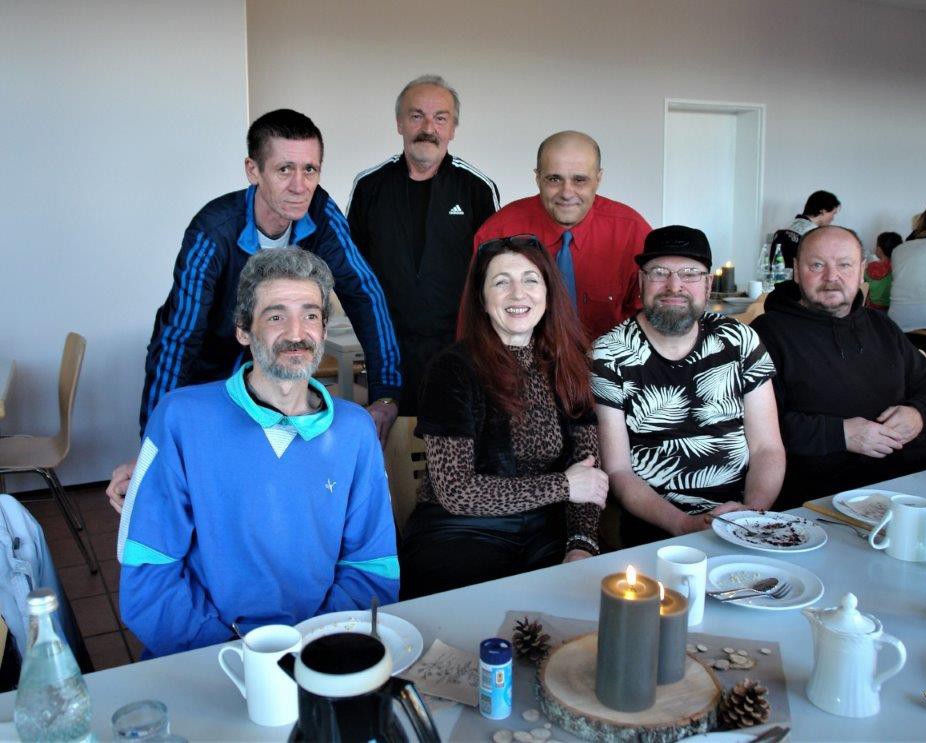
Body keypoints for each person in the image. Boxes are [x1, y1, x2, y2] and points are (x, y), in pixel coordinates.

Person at [107, 109, 402, 510]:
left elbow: (365, 294)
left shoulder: (321, 214)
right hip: (209, 370)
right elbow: (178, 337)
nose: (300, 186)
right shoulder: (214, 229)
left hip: (272, 374)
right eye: (284, 169)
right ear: (253, 170)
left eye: (310, 169)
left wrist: (386, 393)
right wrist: (152, 444)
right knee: (205, 484)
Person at [118, 249, 399, 657]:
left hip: (321, 653)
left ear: (323, 329)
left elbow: (372, 566)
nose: (296, 333)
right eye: (275, 316)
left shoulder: (355, 430)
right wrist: (237, 658)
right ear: (243, 331)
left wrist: (313, 651)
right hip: (206, 653)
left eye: (310, 315)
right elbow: (149, 572)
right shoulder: (180, 418)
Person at [399, 236, 607, 599]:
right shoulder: (451, 369)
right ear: (482, 299)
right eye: (501, 282)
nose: (518, 293)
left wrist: (581, 544)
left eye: (530, 280)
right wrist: (562, 486)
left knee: (586, 604)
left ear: (548, 292)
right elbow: (456, 491)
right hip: (461, 530)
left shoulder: (570, 366)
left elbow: (587, 476)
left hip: (547, 531)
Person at [591, 226, 785, 547]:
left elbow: (767, 448)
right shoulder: (609, 353)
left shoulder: (739, 340)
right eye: (659, 273)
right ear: (641, 281)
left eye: (690, 274)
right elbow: (619, 470)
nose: (674, 286)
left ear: (708, 284)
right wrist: (682, 524)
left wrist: (751, 514)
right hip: (655, 523)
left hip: (741, 513)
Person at [751, 226, 926, 508]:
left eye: (844, 265)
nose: (831, 277)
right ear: (796, 271)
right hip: (825, 496)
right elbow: (753, 427)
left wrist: (920, 414)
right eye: (816, 265)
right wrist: (840, 434)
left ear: (861, 271)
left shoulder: (881, 326)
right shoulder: (767, 334)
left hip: (912, 485)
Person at [347, 75, 500, 414]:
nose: (428, 128)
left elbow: (495, 272)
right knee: (390, 434)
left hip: (459, 346)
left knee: (453, 432)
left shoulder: (477, 188)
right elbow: (351, 269)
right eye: (417, 116)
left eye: (440, 118)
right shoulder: (369, 186)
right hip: (388, 348)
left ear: (453, 128)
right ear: (399, 123)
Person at [473, 131, 651, 341]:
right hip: (516, 357)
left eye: (579, 180)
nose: (567, 193)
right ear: (538, 177)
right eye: (554, 179)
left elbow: (649, 319)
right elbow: (475, 317)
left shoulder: (632, 232)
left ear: (598, 179)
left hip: (607, 358)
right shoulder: (498, 231)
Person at [771, 190, 841, 267]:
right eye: (833, 213)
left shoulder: (785, 226)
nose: (833, 218)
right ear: (823, 211)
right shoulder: (814, 234)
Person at [863, 231, 902, 310]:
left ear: (879, 249)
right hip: (892, 307)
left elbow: (863, 284)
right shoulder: (899, 267)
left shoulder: (869, 267)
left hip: (873, 307)